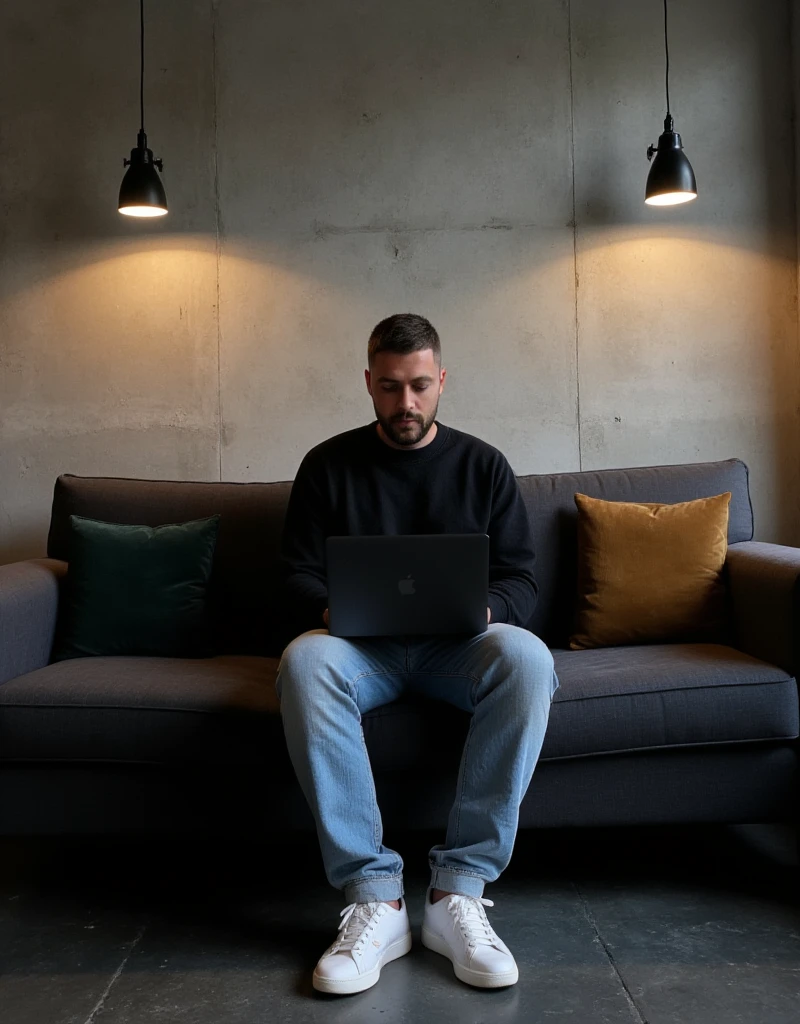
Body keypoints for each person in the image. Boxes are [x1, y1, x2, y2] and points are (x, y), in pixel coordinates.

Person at [275, 313, 559, 995]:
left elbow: (522, 577)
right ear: (369, 382)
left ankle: (455, 892)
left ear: (442, 382)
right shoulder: (326, 464)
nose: (406, 404)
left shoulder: (483, 464)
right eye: (392, 387)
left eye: (421, 387)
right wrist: (328, 608)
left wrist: (486, 611)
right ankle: (377, 896)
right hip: (358, 650)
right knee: (304, 662)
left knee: (527, 658)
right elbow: (293, 572)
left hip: (457, 647)